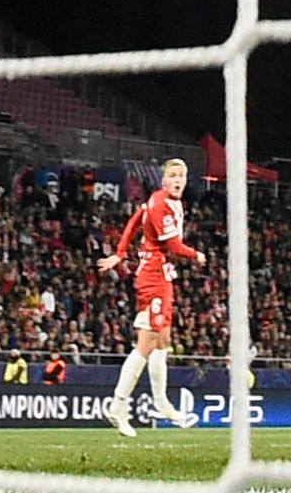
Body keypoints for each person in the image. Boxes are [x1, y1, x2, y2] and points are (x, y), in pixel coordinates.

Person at [103, 156, 199, 433]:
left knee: (164, 339)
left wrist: (120, 253)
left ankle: (162, 402)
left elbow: (134, 221)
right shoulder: (160, 205)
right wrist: (197, 254)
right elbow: (174, 245)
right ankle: (118, 405)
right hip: (153, 279)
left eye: (182, 175)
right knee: (146, 343)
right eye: (174, 175)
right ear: (164, 180)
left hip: (163, 276)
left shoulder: (163, 202)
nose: (179, 180)